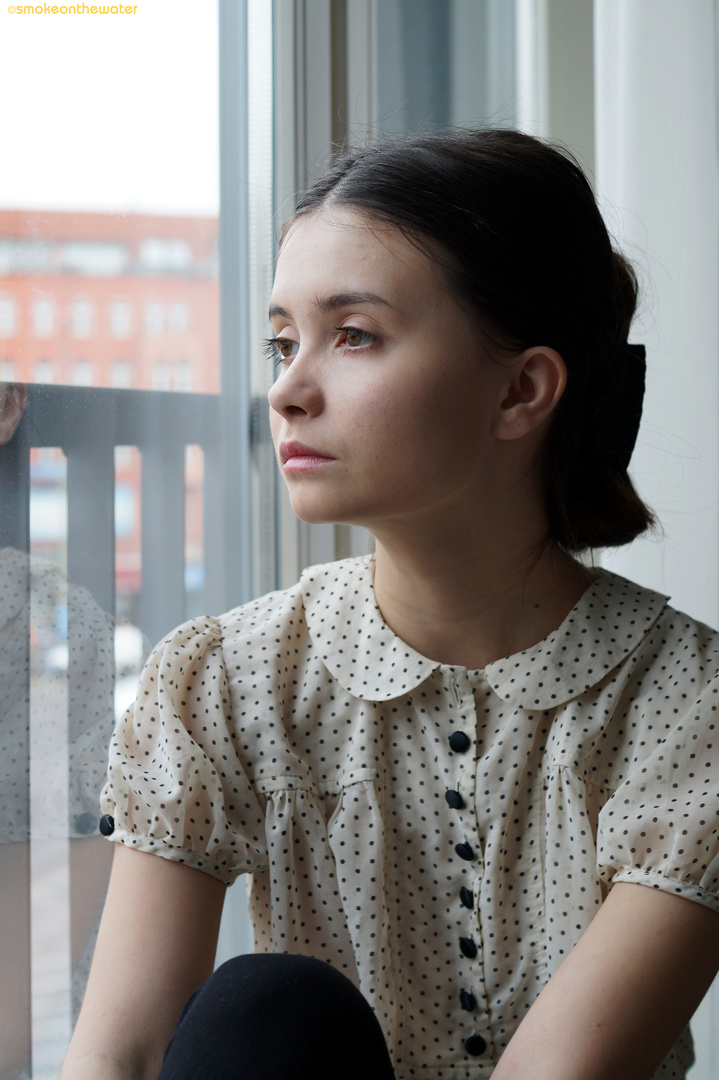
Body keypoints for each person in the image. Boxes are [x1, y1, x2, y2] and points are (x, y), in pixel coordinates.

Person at [60, 128, 719, 1080]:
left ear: (521, 388)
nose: (287, 389)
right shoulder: (226, 681)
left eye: (353, 335)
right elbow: (115, 1054)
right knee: (266, 1011)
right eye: (282, 342)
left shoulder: (688, 708)